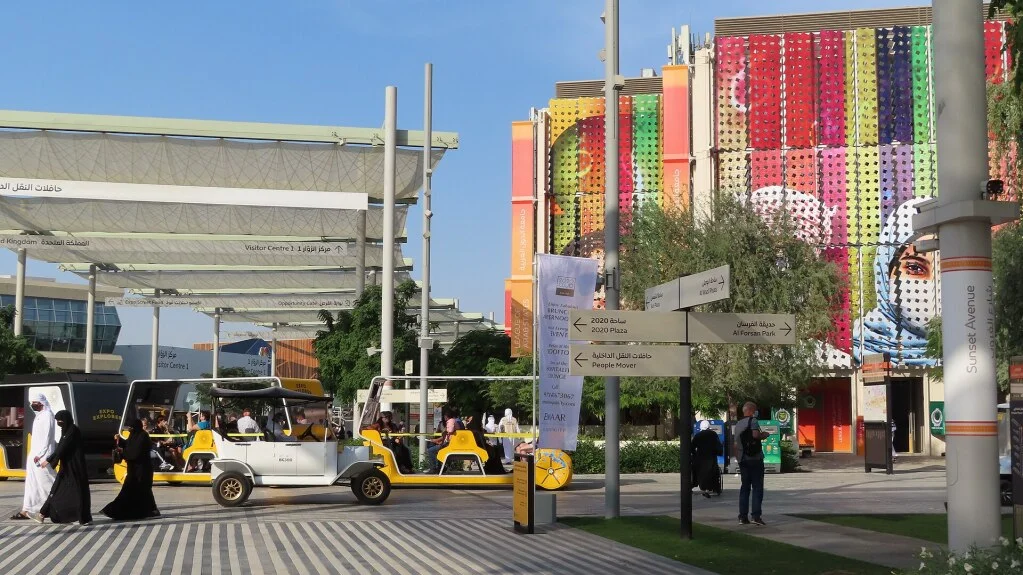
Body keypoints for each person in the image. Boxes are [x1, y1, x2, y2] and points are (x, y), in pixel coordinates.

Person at [36, 410, 92, 525]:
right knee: (57, 489)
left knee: (77, 491)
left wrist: (49, 460)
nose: (59, 423)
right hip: (67, 467)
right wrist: (51, 459)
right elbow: (60, 447)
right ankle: (42, 513)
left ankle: (83, 518)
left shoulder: (72, 430)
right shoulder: (67, 431)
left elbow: (63, 447)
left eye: (60, 421)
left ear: (66, 420)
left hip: (75, 467)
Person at [11, 393, 57, 520]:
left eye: (34, 402)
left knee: (48, 482)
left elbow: (47, 438)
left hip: (42, 456)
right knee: (32, 484)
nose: (32, 405)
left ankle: (61, 505)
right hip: (34, 456)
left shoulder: (48, 415)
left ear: (41, 403)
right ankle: (26, 510)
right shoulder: (39, 416)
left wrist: (41, 455)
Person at [103, 419, 159, 520]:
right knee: (140, 491)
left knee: (139, 490)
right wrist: (120, 440)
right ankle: (151, 510)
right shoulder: (134, 435)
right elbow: (129, 444)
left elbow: (135, 452)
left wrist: (123, 453)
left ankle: (147, 511)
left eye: (131, 428)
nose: (130, 430)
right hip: (133, 470)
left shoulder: (143, 436)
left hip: (142, 470)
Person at [733, 402, 769, 526]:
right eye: (755, 410)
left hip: (743, 459)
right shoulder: (753, 421)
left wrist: (738, 459)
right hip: (755, 458)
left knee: (745, 487)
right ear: (751, 410)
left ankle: (742, 517)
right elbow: (755, 435)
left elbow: (736, 444)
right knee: (757, 487)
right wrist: (764, 435)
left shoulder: (738, 424)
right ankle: (756, 516)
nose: (756, 412)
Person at [692, 420, 723, 498]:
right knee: (713, 473)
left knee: (698, 472)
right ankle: (714, 488)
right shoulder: (713, 434)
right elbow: (718, 446)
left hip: (700, 458)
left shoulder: (698, 435)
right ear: (708, 426)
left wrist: (695, 454)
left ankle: (698, 487)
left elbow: (692, 447)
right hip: (711, 457)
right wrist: (719, 452)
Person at [427, 407, 458, 473]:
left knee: (431, 450)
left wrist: (437, 440)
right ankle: (439, 467)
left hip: (449, 445)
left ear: (446, 416)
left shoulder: (450, 421)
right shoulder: (454, 421)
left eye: (444, 416)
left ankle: (434, 468)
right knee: (436, 449)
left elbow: (449, 432)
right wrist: (440, 441)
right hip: (450, 443)